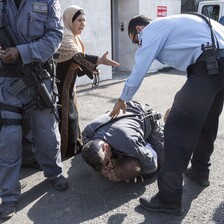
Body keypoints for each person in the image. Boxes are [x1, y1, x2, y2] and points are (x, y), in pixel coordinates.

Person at [109, 14, 224, 215]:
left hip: (209, 65)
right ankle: (200, 170)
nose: (139, 45)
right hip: (216, 64)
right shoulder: (180, 24)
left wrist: (122, 99)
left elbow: (139, 68)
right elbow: (196, 69)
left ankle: (168, 198)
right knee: (207, 119)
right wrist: (180, 102)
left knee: (176, 128)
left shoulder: (151, 30)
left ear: (138, 29)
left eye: (135, 42)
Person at [0, 0, 68, 219]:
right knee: (9, 139)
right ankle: (8, 196)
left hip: (39, 79)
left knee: (46, 132)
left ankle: (54, 172)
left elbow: (55, 37)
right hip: (8, 83)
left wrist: (20, 52)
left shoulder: (48, 1)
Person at [55, 5, 119, 158]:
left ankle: (74, 144)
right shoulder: (65, 36)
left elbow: (75, 60)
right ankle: (65, 149)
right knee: (66, 115)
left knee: (73, 113)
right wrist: (99, 61)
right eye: (79, 20)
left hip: (69, 86)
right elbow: (76, 57)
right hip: (61, 87)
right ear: (70, 20)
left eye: (84, 20)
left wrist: (92, 66)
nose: (83, 24)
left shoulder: (74, 37)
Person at [81, 101, 164, 182]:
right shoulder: (88, 132)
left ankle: (147, 145)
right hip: (124, 119)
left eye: (106, 163)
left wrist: (123, 174)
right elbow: (88, 150)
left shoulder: (126, 143)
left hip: (147, 120)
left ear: (105, 147)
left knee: (164, 163)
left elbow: (151, 165)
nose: (106, 169)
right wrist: (102, 168)